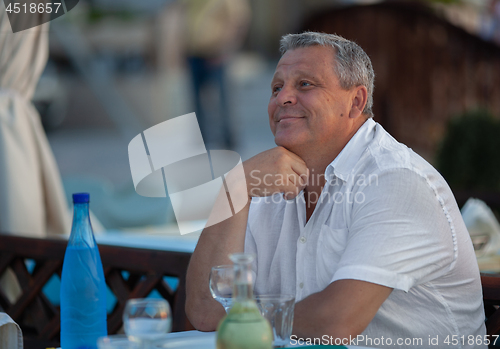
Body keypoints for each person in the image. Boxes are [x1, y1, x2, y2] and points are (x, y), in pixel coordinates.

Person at [185, 32, 486, 348]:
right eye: (276, 87)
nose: (282, 98)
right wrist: (234, 187)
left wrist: (242, 320)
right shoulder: (263, 180)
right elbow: (206, 311)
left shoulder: (397, 180)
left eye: (305, 84)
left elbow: (335, 321)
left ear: (356, 101)